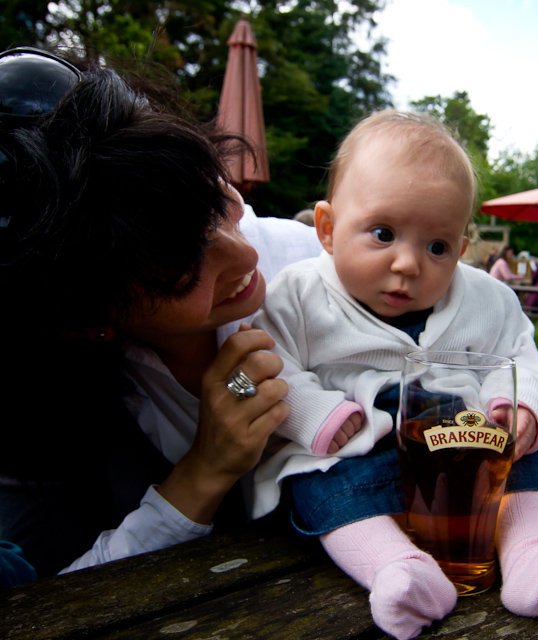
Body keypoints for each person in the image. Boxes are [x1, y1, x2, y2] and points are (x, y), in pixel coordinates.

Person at [252, 111, 538, 640]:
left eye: (437, 246)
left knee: (521, 459)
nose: (408, 264)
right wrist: (315, 413)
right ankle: (398, 571)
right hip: (356, 448)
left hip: (464, 458)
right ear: (328, 229)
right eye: (383, 233)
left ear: (462, 248)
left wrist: (520, 406)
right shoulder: (298, 295)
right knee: (317, 486)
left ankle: (533, 560)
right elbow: (270, 361)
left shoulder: (488, 298)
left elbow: (516, 354)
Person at [0, 47, 322, 580]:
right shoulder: (33, 412)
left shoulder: (315, 263)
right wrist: (205, 468)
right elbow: (51, 601)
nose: (244, 254)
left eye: (215, 197)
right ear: (84, 322)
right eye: (180, 270)